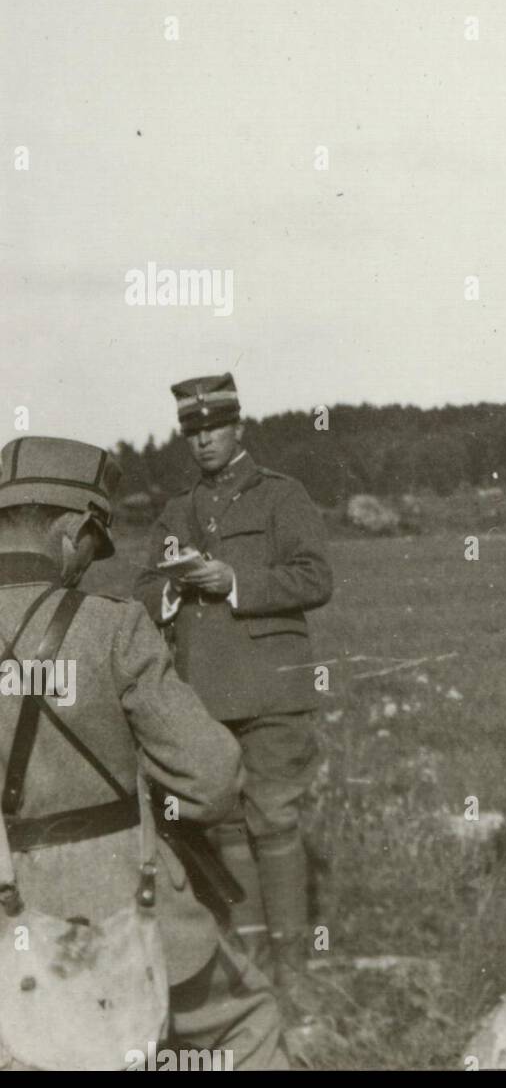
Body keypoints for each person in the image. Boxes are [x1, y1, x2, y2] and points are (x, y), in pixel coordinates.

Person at [0, 435, 285, 1068]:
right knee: (247, 1027)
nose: (86, 566)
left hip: (8, 938)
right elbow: (212, 779)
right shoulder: (111, 627)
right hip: (127, 911)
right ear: (72, 531)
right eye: (93, 548)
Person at [133, 375, 333, 1012]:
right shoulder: (177, 510)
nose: (202, 441)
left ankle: (293, 974)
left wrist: (234, 579)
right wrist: (169, 587)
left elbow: (315, 576)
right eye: (191, 432)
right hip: (202, 698)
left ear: (238, 427)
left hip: (272, 689)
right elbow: (142, 587)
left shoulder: (281, 495)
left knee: (274, 822)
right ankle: (246, 973)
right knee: (219, 831)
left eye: (212, 427)